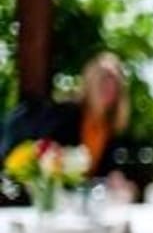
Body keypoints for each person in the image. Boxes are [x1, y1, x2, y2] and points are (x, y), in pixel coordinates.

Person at [1, 52, 134, 191]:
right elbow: (44, 155)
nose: (109, 89)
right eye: (104, 82)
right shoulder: (66, 114)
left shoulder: (109, 127)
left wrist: (116, 180)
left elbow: (104, 173)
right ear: (91, 83)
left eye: (115, 84)